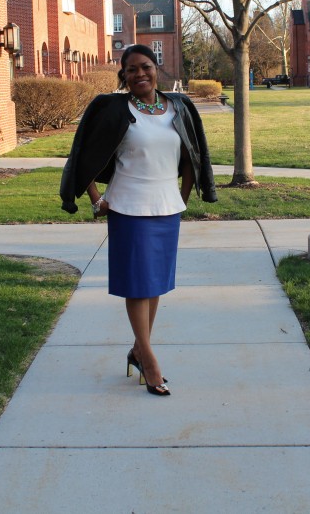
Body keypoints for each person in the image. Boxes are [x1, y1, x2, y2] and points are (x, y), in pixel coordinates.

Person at [59, 44, 217, 396]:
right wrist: (98, 200)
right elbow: (84, 154)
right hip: (127, 207)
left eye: (145, 67)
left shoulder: (177, 107)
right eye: (131, 70)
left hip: (166, 207)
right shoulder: (113, 109)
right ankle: (149, 360)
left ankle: (136, 349)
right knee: (137, 284)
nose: (140, 74)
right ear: (124, 75)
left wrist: (183, 197)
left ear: (156, 68)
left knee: (155, 283)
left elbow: (192, 156)